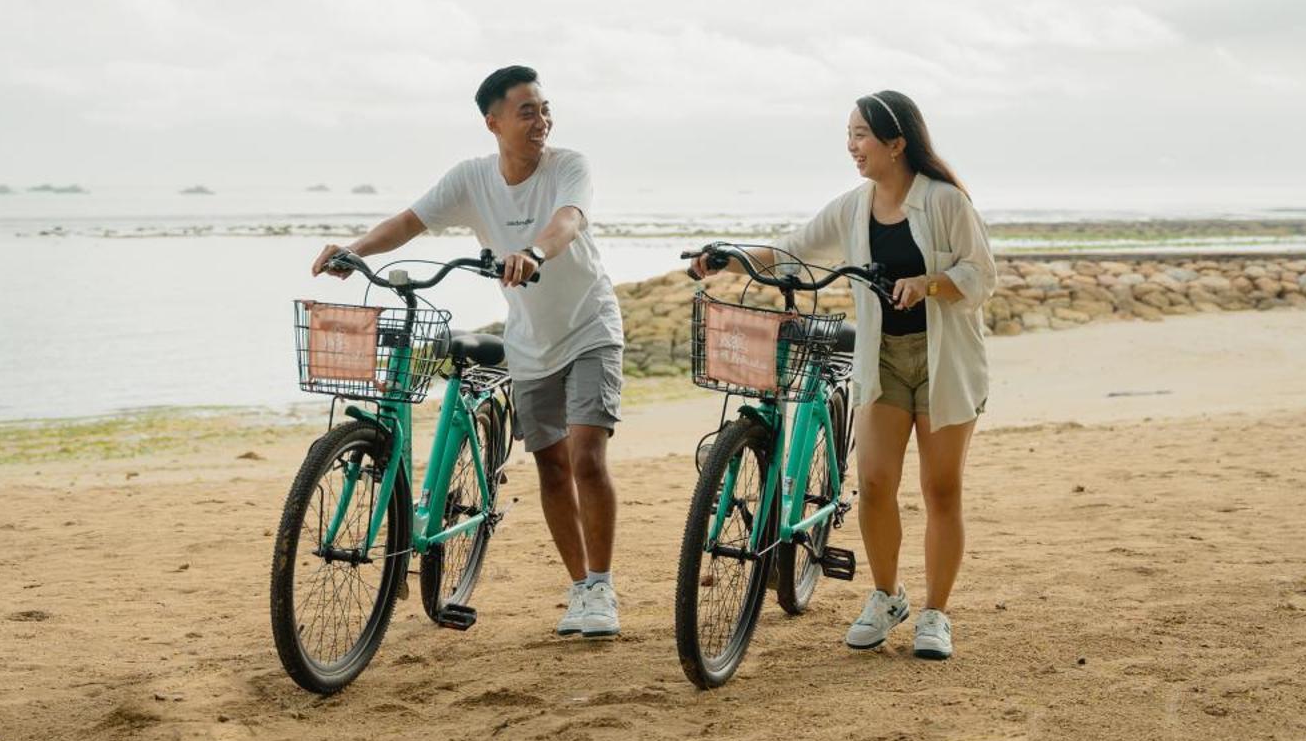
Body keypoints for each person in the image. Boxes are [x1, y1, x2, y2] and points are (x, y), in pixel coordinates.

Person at [313, 66, 627, 639]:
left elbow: (569, 221)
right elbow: (409, 222)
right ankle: (580, 586)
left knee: (585, 458)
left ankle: (602, 586)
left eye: (545, 108)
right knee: (551, 467)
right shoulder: (471, 179)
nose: (542, 120)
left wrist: (532, 251)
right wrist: (353, 251)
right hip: (529, 339)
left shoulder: (568, 166)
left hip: (589, 326)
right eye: (527, 111)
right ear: (494, 122)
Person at [690, 90, 994, 659]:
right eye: (849, 135)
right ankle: (887, 596)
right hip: (880, 360)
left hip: (944, 360)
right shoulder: (854, 207)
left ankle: (935, 614)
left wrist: (929, 284)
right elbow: (789, 252)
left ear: (896, 142)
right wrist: (728, 256)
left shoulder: (946, 202)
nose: (852, 147)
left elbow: (980, 275)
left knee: (941, 489)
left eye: (861, 136)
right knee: (876, 485)